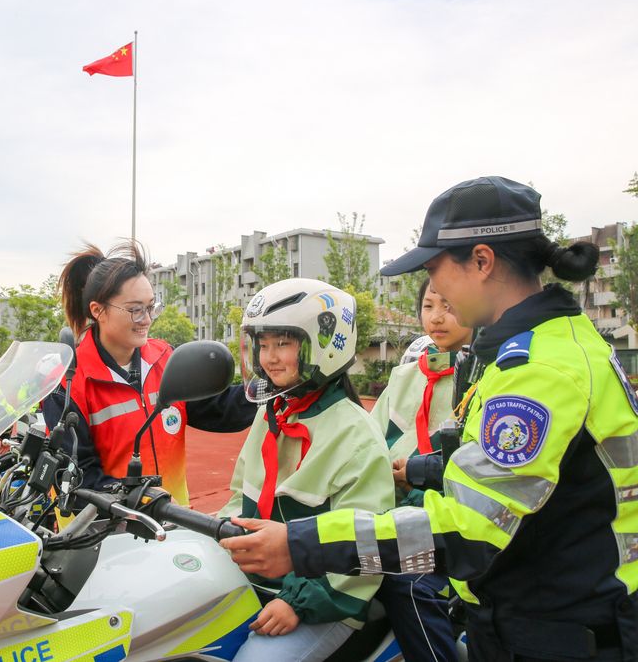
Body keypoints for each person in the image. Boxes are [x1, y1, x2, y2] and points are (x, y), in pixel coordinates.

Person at [220, 176, 638, 661]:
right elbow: (532, 475)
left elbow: (468, 530)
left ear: (481, 261)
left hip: (560, 630)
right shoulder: (542, 347)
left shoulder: (538, 371)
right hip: (547, 608)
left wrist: (301, 544)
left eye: (435, 270)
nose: (433, 291)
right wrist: (421, 468)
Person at [220, 279, 395, 661]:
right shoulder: (272, 414)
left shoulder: (356, 436)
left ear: (325, 345)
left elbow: (365, 546)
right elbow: (239, 496)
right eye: (263, 345)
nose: (269, 357)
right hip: (258, 577)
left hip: (325, 597)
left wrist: (298, 603)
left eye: (283, 343)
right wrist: (216, 534)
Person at [41, 240, 257, 506]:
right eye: (135, 310)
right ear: (98, 311)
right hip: (100, 529)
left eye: (151, 306)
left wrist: (271, 388)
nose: (147, 319)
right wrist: (145, 500)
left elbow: (217, 409)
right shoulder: (68, 382)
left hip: (170, 524)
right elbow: (76, 477)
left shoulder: (164, 358)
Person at [371, 279, 474, 662]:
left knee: (409, 586)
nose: (436, 317)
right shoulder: (405, 377)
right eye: (429, 306)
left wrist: (412, 477)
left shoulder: (486, 376)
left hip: (450, 527)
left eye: (448, 306)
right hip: (389, 512)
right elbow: (370, 440)